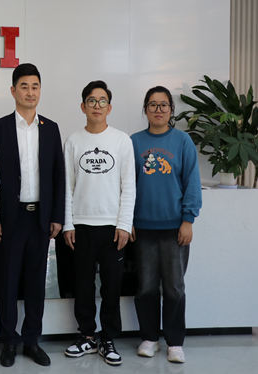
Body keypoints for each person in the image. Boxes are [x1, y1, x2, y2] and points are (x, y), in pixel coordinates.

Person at [0, 63, 65, 367]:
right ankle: (9, 341)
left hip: (40, 218)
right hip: (10, 218)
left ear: (40, 91)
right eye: (24, 86)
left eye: (35, 86)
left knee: (36, 282)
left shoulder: (51, 128)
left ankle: (32, 340)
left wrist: (57, 215)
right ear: (13, 91)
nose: (30, 92)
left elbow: (58, 175)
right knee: (7, 282)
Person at [62, 80, 135, 366]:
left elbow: (129, 186)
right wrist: (68, 224)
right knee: (82, 285)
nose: (97, 106)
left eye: (102, 101)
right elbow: (67, 186)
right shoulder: (73, 141)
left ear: (109, 107)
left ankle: (108, 337)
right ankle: (87, 336)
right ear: (83, 106)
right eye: (91, 101)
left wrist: (124, 224)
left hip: (112, 227)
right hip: (81, 225)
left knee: (111, 286)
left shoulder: (121, 141)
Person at [130, 86, 202, 364]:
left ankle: (174, 342)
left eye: (163, 105)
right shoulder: (134, 142)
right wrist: (127, 221)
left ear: (171, 109)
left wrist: (188, 220)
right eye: (153, 104)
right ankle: (149, 338)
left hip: (175, 228)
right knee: (146, 287)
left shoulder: (182, 141)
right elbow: (126, 186)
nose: (158, 110)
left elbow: (192, 183)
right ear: (145, 109)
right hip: (142, 228)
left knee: (174, 287)